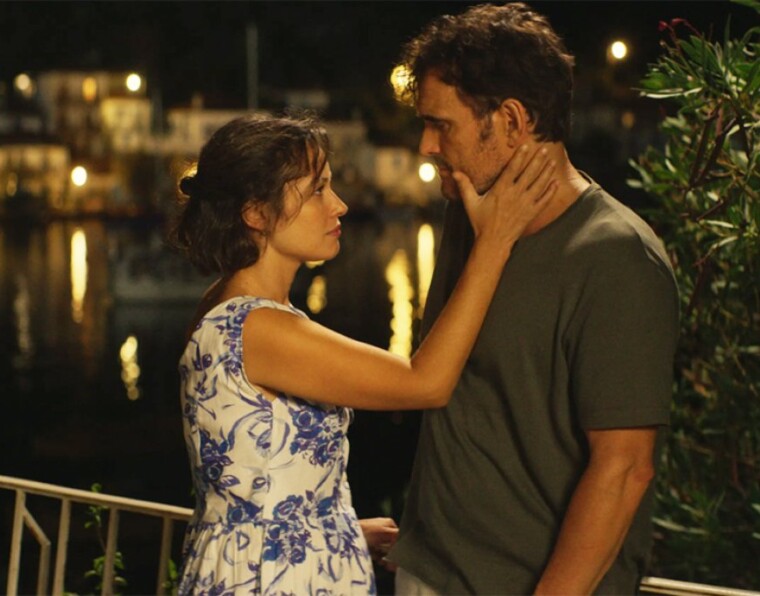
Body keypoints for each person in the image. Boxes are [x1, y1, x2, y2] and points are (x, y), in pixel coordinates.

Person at [170, 113, 556, 595]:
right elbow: (426, 382)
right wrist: (495, 241)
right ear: (256, 213)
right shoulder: (258, 328)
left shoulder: (229, 307)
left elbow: (250, 473)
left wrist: (335, 528)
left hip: (257, 569)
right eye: (317, 190)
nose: (339, 204)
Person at [387, 3, 680, 595]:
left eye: (441, 125)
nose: (425, 146)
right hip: (427, 572)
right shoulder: (467, 216)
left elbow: (623, 470)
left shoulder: (616, 258)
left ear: (512, 121)